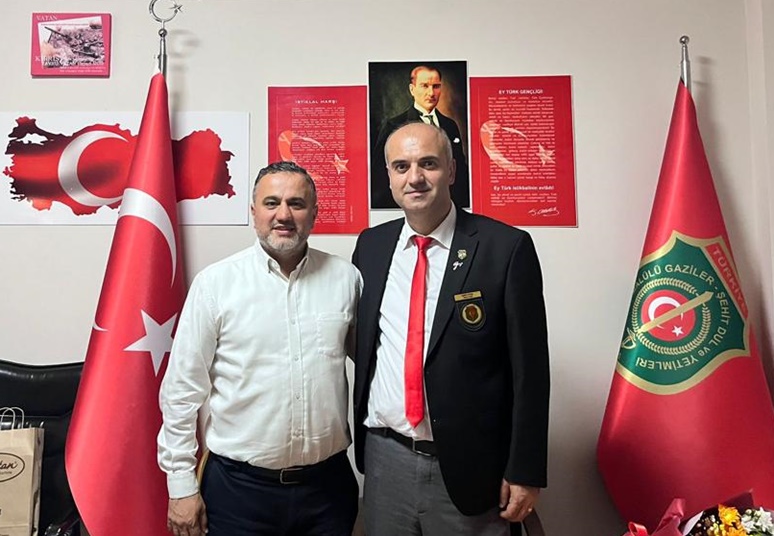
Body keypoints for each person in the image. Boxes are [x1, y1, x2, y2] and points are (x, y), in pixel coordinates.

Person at [352, 122, 549, 536]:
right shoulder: (371, 246)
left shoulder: (505, 248)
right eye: (401, 166)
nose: (415, 178)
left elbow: (530, 371)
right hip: (387, 460)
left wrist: (525, 470)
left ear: (452, 170)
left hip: (470, 466)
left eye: (428, 164)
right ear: (388, 176)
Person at [158, 161, 361, 536]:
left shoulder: (346, 279)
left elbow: (376, 365)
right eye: (272, 203)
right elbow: (181, 390)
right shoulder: (216, 284)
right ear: (254, 212)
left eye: (297, 203)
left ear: (314, 213)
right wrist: (181, 484)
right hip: (239, 493)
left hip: (327, 492)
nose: (283, 214)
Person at [371, 65, 470, 209]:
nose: (431, 93)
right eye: (425, 86)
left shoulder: (450, 125)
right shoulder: (393, 126)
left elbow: (460, 171)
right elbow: (380, 176)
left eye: (436, 86)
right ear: (412, 89)